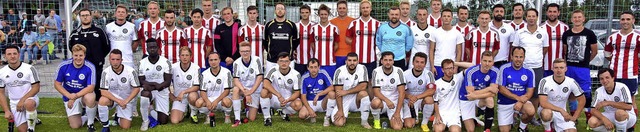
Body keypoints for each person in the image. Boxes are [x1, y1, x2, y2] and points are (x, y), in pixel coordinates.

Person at [561, 9, 598, 126]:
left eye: (579, 17)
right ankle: (574, 117)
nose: (577, 19)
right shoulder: (567, 34)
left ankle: (588, 116)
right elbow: (565, 50)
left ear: (583, 19)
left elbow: (594, 51)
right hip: (570, 68)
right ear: (572, 19)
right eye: (575, 17)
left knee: (586, 93)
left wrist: (585, 61)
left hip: (583, 69)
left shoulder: (589, 33)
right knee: (571, 93)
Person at [69, 8, 111, 102]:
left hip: (96, 66)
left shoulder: (99, 31)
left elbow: (107, 47)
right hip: (80, 67)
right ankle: (82, 108)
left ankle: (97, 111)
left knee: (96, 88)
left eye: (87, 15)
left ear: (91, 16)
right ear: (80, 17)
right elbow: (71, 48)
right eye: (83, 15)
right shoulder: (74, 33)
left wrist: (99, 57)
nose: (85, 17)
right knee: (81, 87)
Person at [512, 9, 548, 117]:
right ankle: (515, 114)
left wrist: (536, 58)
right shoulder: (519, 32)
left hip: (537, 67)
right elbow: (515, 48)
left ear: (537, 17)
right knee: (519, 90)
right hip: (523, 67)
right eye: (529, 16)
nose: (531, 18)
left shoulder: (543, 32)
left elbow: (545, 48)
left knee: (535, 93)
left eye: (534, 16)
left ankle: (531, 115)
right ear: (526, 17)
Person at [604, 11, 639, 119]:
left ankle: (631, 125)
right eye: (623, 19)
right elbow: (607, 54)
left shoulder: (637, 37)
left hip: (630, 74)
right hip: (614, 73)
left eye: (628, 19)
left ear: (633, 21)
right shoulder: (613, 37)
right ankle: (615, 120)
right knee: (615, 97)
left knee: (630, 98)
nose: (625, 22)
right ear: (620, 21)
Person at [54, 44, 98, 131]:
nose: (78, 58)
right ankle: (86, 116)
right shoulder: (63, 66)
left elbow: (90, 88)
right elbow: (57, 84)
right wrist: (70, 96)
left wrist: (74, 97)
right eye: (76, 55)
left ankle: (90, 123)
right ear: (72, 55)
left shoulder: (90, 67)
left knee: (90, 97)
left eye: (81, 55)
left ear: (84, 55)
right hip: (69, 96)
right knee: (75, 126)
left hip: (82, 95)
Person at [97, 49, 141, 131]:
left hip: (126, 100)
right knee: (102, 100)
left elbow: (137, 88)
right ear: (109, 60)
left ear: (121, 60)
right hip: (113, 99)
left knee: (125, 127)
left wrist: (125, 101)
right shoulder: (106, 72)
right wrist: (118, 101)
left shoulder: (131, 71)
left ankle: (118, 117)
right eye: (113, 59)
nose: (115, 62)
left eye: (118, 59)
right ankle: (105, 126)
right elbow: (103, 91)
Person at [0, 45, 40, 132]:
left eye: (15, 53)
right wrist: (6, 111)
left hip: (30, 98)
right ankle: (33, 118)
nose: (12, 56)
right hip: (14, 102)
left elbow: (36, 88)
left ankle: (31, 128)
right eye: (9, 54)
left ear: (19, 54)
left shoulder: (29, 68)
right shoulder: (1, 72)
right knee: (22, 130)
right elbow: (1, 93)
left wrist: (22, 100)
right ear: (5, 56)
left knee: (28, 103)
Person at [457, 51, 499, 132]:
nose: (487, 64)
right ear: (480, 60)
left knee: (490, 100)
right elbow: (470, 93)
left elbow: (493, 93)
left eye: (489, 61)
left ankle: (487, 129)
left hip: (477, 97)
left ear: (493, 62)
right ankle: (473, 119)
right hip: (466, 98)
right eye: (485, 61)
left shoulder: (495, 71)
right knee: (470, 130)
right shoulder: (471, 71)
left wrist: (475, 96)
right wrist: (489, 88)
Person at [538, 59, 585, 132]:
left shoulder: (571, 81)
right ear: (552, 69)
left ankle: (554, 124)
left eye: (561, 68)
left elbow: (582, 99)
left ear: (566, 69)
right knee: (546, 114)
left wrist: (575, 117)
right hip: (546, 110)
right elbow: (543, 103)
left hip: (562, 113)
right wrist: (561, 110)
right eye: (556, 68)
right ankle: (548, 129)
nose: (559, 70)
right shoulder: (545, 81)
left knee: (572, 131)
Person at [496, 47, 536, 132]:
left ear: (524, 58)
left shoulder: (529, 71)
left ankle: (522, 127)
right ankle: (512, 118)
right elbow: (501, 89)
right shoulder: (504, 68)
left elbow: (530, 92)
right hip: (505, 102)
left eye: (521, 57)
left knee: (531, 111)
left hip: (522, 102)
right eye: (516, 56)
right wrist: (518, 98)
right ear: (511, 56)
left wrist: (521, 102)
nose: (518, 59)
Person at [260, 52, 303, 126]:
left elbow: (297, 93)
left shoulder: (296, 74)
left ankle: (284, 112)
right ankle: (267, 118)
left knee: (298, 105)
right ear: (277, 62)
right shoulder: (273, 70)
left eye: (286, 61)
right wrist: (278, 95)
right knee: (264, 92)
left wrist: (288, 100)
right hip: (274, 98)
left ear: (289, 62)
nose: (284, 63)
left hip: (287, 100)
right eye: (281, 61)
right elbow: (266, 83)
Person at [138, 39, 172, 131]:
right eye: (150, 47)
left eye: (154, 47)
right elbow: (141, 81)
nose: (152, 49)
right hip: (149, 90)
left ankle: (151, 110)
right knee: (145, 94)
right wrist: (154, 84)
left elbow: (168, 81)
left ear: (158, 48)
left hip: (162, 91)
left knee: (163, 121)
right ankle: (145, 121)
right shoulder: (142, 63)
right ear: (147, 49)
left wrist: (155, 86)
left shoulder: (166, 62)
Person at [331, 52, 372, 129]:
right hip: (343, 99)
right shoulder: (339, 71)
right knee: (339, 124)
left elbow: (363, 86)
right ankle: (340, 112)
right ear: (346, 61)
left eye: (354, 60)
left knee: (363, 93)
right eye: (349, 60)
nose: (352, 63)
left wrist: (347, 92)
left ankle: (364, 121)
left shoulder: (362, 68)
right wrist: (340, 110)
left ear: (358, 61)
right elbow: (338, 93)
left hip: (356, 98)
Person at [369, 52, 406, 130]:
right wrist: (387, 100)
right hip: (381, 101)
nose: (388, 62)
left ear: (393, 61)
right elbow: (376, 91)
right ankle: (377, 121)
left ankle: (392, 116)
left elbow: (402, 93)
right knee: (375, 103)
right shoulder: (376, 71)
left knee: (397, 127)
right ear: (381, 61)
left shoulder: (399, 71)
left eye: (390, 60)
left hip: (394, 102)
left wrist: (397, 112)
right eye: (385, 60)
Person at [196, 52, 234, 127]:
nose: (213, 62)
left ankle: (227, 116)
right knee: (198, 103)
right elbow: (202, 91)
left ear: (219, 60)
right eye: (211, 60)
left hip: (222, 98)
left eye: (215, 60)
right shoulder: (204, 74)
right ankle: (208, 115)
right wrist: (207, 102)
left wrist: (216, 101)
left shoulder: (227, 72)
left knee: (227, 101)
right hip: (210, 99)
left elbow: (227, 91)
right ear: (208, 61)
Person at [231, 42, 264, 124]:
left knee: (251, 118)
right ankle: (237, 119)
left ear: (250, 51)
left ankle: (247, 109)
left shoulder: (257, 60)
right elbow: (236, 80)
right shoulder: (236, 63)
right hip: (243, 89)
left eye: (247, 51)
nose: (245, 53)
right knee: (235, 89)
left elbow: (260, 78)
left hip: (254, 89)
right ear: (239, 52)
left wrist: (250, 92)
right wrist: (246, 93)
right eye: (243, 51)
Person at [402, 52, 436, 131]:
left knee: (429, 99)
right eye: (417, 62)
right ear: (413, 62)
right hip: (409, 101)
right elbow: (401, 91)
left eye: (422, 62)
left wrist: (417, 97)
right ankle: (414, 117)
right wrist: (410, 97)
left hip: (421, 100)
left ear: (425, 64)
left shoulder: (429, 74)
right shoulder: (405, 74)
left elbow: (431, 91)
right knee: (409, 125)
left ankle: (424, 123)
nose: (419, 64)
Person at [346, 0, 380, 76]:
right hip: (356, 59)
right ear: (360, 9)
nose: (365, 9)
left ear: (371, 8)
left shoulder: (377, 24)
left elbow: (380, 39)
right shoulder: (354, 23)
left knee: (371, 81)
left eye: (367, 7)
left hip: (371, 58)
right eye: (363, 8)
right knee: (356, 80)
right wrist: (356, 43)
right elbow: (347, 39)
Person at [299, 58, 335, 126]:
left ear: (319, 67)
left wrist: (319, 94)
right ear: (308, 68)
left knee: (332, 94)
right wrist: (310, 110)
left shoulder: (323, 73)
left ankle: (327, 117)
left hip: (323, 101)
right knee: (302, 115)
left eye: (315, 67)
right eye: (311, 67)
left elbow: (332, 87)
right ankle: (312, 114)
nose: (313, 69)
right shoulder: (304, 77)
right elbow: (303, 97)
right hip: (311, 102)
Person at [263, 3, 298, 72]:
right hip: (272, 60)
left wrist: (290, 52)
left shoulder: (292, 25)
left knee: (288, 82)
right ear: (275, 11)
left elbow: (296, 41)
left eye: (282, 9)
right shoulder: (268, 25)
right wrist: (271, 52)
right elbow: (265, 41)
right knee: (270, 81)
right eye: (278, 8)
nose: (280, 10)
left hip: (288, 60)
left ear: (285, 11)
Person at [169, 47, 200, 124]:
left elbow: (197, 86)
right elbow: (166, 83)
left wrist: (183, 92)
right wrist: (171, 96)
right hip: (179, 98)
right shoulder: (173, 67)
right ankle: (185, 110)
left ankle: (193, 113)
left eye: (187, 55)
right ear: (179, 56)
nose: (184, 57)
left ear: (191, 56)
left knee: (192, 96)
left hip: (191, 95)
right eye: (182, 55)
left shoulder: (196, 68)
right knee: (174, 121)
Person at [430, 9, 463, 80]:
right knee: (438, 87)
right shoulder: (435, 32)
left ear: (451, 18)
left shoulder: (457, 33)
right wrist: (432, 66)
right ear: (441, 18)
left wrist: (456, 67)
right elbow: (431, 50)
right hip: (438, 64)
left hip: (451, 65)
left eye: (448, 16)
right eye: (444, 16)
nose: (446, 18)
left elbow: (459, 51)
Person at [432, 59, 463, 132]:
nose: (450, 70)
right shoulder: (437, 83)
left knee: (455, 131)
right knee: (438, 130)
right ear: (442, 70)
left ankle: (450, 125)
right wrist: (437, 115)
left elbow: (472, 65)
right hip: (442, 113)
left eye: (451, 68)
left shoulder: (458, 78)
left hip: (454, 114)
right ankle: (443, 125)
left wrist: (455, 63)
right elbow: (435, 101)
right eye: (447, 68)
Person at [310, 4, 340, 77]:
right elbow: (312, 44)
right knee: (318, 84)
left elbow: (336, 44)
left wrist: (329, 52)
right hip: (317, 63)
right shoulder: (313, 28)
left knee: (330, 84)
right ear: (318, 15)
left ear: (328, 14)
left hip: (330, 62)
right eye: (321, 14)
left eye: (325, 14)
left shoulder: (334, 28)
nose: (323, 16)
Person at [542, 3, 570, 77]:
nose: (552, 14)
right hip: (545, 65)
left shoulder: (565, 28)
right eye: (550, 11)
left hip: (560, 66)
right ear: (547, 13)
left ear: (558, 13)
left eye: (554, 12)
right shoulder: (541, 28)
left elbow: (567, 47)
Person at [330, 0, 355, 68]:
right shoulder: (331, 22)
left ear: (347, 9)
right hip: (336, 55)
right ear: (337, 9)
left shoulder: (354, 22)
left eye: (344, 8)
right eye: (340, 8)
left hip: (350, 55)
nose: (342, 10)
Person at [489, 4, 515, 68]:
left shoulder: (509, 28)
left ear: (504, 13)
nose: (499, 13)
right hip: (488, 61)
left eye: (501, 11)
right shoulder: (487, 26)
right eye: (497, 11)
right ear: (493, 13)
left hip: (503, 62)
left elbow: (512, 45)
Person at [294, 5, 315, 74]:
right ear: (300, 13)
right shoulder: (295, 26)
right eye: (302, 12)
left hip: (312, 60)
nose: (304, 14)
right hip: (298, 60)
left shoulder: (314, 26)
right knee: (299, 81)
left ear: (309, 13)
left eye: (306, 12)